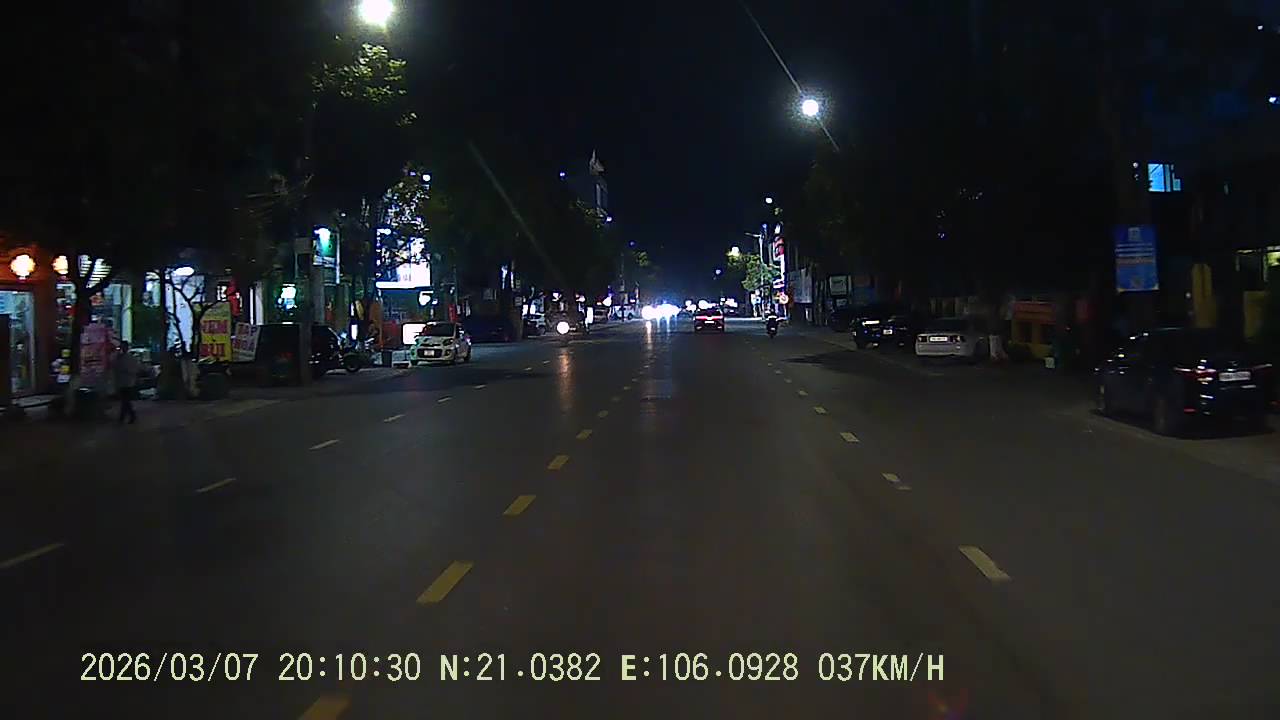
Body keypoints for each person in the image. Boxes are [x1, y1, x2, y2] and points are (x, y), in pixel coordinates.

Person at [112, 341, 141, 424]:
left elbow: (133, 369)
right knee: (125, 400)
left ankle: (128, 416)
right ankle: (126, 416)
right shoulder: (121, 358)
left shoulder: (128, 358)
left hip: (127, 382)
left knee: (125, 400)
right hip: (125, 382)